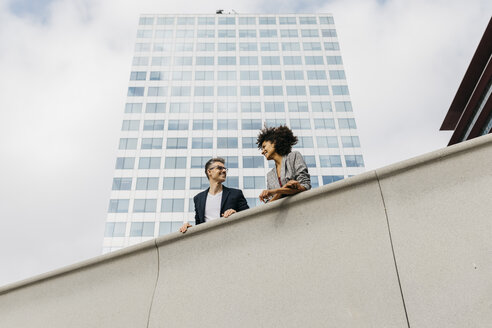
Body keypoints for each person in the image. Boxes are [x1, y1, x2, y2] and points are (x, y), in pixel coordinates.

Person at [180, 157, 249, 233]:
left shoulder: (236, 194)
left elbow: (249, 218)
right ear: (209, 172)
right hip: (208, 241)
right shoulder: (198, 199)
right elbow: (199, 225)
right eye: (219, 168)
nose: (224, 170)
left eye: (225, 169)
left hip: (230, 238)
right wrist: (189, 229)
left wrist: (235, 214)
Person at [257, 125, 311, 203]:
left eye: (264, 146)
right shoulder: (270, 175)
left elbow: (305, 186)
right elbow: (270, 203)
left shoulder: (294, 156)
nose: (262, 152)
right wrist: (283, 189)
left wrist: (275, 191)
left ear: (274, 142)